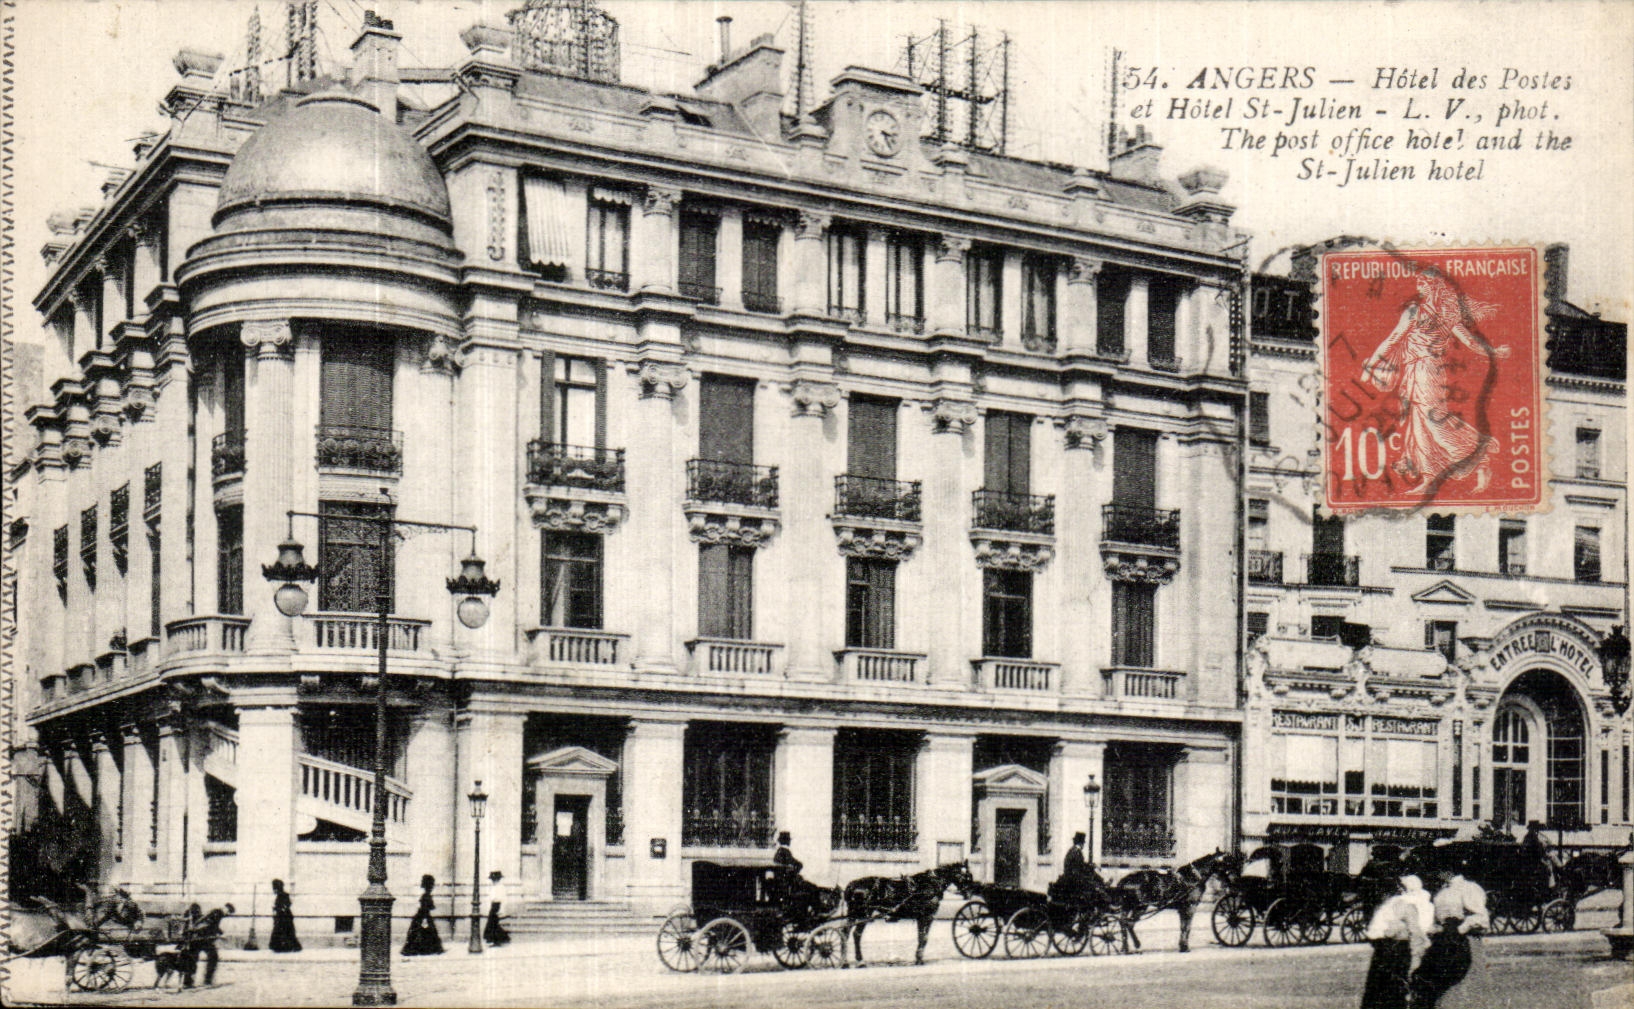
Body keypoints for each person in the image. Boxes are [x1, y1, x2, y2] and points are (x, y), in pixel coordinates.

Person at [1361, 268, 1509, 495]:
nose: (1418, 287)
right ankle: (1430, 476)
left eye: (1422, 283)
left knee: (1432, 420)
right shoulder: (1438, 314)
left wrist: (1372, 364)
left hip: (1427, 371)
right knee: (1418, 421)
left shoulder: (1421, 312)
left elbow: (1393, 340)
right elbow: (1470, 342)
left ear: (1432, 287)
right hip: (1416, 370)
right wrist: (1493, 352)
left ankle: (1478, 453)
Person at [1409, 866, 1489, 1009]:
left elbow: (1481, 918)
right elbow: (1437, 920)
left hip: (1467, 944)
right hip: (1444, 944)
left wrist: (1459, 929)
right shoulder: (1442, 891)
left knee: (1464, 993)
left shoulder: (1469, 888)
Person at [1360, 875, 1429, 1009]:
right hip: (1399, 950)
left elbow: (1373, 932)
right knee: (1396, 993)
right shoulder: (1408, 906)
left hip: (1381, 952)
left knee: (1376, 992)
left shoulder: (1384, 906)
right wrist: (1416, 959)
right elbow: (1415, 933)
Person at [182, 903, 234, 989]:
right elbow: (210, 925)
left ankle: (188, 982)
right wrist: (220, 934)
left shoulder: (215, 911)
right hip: (202, 939)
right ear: (226, 909)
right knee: (213, 957)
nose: (227, 914)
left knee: (193, 959)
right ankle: (207, 980)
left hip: (199, 938)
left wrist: (220, 933)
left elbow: (210, 924)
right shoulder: (218, 912)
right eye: (228, 912)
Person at [402, 875, 445, 956]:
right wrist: (425, 918)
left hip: (421, 915)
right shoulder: (427, 895)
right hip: (424, 915)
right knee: (426, 932)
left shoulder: (425, 895)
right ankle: (424, 949)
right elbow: (428, 907)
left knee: (420, 932)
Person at [268, 879, 301, 953]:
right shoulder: (281, 895)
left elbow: (287, 904)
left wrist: (280, 908)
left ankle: (283, 947)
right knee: (283, 932)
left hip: (284, 916)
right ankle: (282, 947)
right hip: (282, 916)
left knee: (284, 931)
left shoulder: (283, 895)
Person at [482, 870, 510, 946]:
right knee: (492, 923)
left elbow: (503, 899)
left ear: (498, 879)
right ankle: (498, 939)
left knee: (493, 923)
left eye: (494, 879)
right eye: (492, 879)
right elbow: (491, 898)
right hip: (493, 906)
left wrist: (501, 909)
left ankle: (498, 940)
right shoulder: (493, 888)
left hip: (498, 906)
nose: (493, 881)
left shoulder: (501, 887)